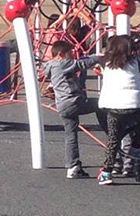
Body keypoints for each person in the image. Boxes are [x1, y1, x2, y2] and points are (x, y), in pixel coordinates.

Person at [45, 40, 108, 179]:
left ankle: (72, 166)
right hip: (73, 101)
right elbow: (82, 64)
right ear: (61, 54)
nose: (73, 56)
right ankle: (111, 133)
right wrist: (100, 57)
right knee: (102, 103)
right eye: (70, 53)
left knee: (70, 135)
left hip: (62, 105)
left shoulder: (50, 66)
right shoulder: (61, 63)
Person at [97, 35, 140, 185]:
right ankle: (135, 148)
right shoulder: (135, 61)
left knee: (113, 139)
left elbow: (87, 60)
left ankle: (107, 172)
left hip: (114, 107)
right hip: (137, 105)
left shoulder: (105, 61)